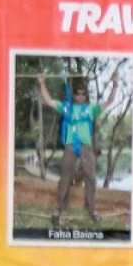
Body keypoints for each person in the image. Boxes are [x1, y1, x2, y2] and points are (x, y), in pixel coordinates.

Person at [38, 74, 100, 230]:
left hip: (86, 146)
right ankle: (58, 210)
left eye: (83, 94)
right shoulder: (66, 108)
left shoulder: (91, 109)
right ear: (73, 95)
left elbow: (109, 102)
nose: (80, 96)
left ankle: (92, 210)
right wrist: (42, 82)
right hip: (70, 146)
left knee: (91, 177)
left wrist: (115, 85)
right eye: (78, 94)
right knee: (65, 177)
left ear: (86, 96)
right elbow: (49, 101)